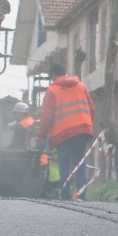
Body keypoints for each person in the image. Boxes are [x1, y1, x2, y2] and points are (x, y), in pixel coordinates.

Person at [38, 68, 95, 200]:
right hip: (81, 131)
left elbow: (46, 117)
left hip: (62, 134)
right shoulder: (81, 86)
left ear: (53, 75)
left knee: (64, 165)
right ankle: (81, 196)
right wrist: (87, 126)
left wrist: (42, 135)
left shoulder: (52, 90)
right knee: (80, 164)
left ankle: (65, 196)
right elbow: (92, 109)